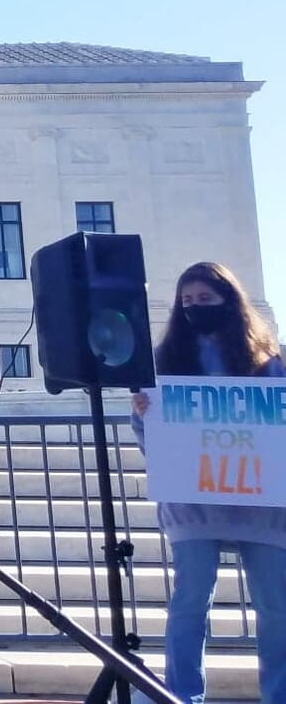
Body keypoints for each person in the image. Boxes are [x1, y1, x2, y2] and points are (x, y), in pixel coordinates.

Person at [131, 262, 284, 704]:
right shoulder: (164, 362)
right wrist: (144, 416)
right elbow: (152, 441)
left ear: (229, 301)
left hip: (262, 506)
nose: (195, 308)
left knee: (275, 609)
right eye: (187, 302)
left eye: (205, 299)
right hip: (193, 504)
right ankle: (181, 695)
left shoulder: (268, 363)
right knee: (189, 603)